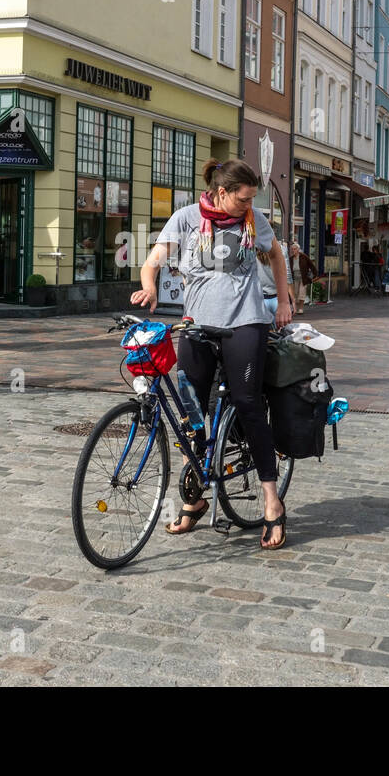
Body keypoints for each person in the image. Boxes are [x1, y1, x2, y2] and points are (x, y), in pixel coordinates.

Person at [132, 158, 292, 549]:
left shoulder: (254, 221)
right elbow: (153, 260)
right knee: (191, 412)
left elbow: (276, 257)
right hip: (197, 326)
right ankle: (194, 496)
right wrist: (149, 287)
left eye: (252, 197)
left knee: (248, 403)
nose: (248, 204)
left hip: (246, 323)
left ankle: (272, 502)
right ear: (221, 193)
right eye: (243, 198)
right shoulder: (186, 218)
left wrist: (284, 301)